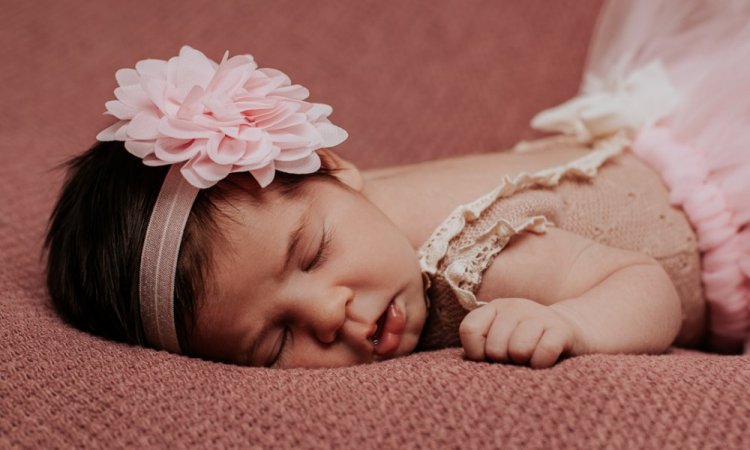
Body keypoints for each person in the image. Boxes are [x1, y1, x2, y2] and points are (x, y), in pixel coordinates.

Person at [45, 0, 750, 369]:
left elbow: (646, 284)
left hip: (721, 216)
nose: (328, 315)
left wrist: (573, 326)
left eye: (313, 255)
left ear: (333, 169)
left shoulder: (470, 259)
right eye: (275, 343)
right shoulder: (340, 208)